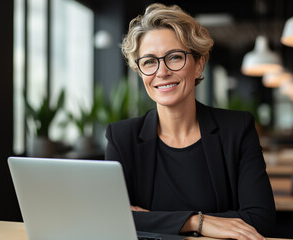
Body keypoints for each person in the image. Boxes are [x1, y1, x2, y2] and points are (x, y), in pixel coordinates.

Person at [105, 3, 275, 239]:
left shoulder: (237, 129)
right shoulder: (122, 137)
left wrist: (153, 218)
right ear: (140, 71)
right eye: (149, 62)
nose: (162, 72)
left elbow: (260, 220)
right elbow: (112, 218)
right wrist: (196, 221)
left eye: (174, 57)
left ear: (199, 65)